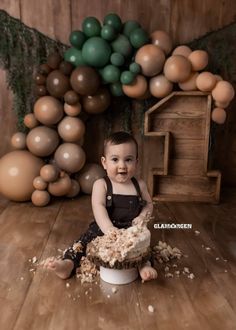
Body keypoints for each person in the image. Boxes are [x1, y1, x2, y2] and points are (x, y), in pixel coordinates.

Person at [44, 131, 157, 281]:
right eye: (115, 159)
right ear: (104, 163)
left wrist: (142, 216)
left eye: (128, 160)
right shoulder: (101, 185)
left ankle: (144, 266)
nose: (122, 166)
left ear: (136, 162)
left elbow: (149, 204)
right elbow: (99, 207)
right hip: (104, 229)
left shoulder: (139, 185)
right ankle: (68, 264)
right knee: (81, 244)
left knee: (142, 248)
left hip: (131, 230)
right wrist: (109, 229)